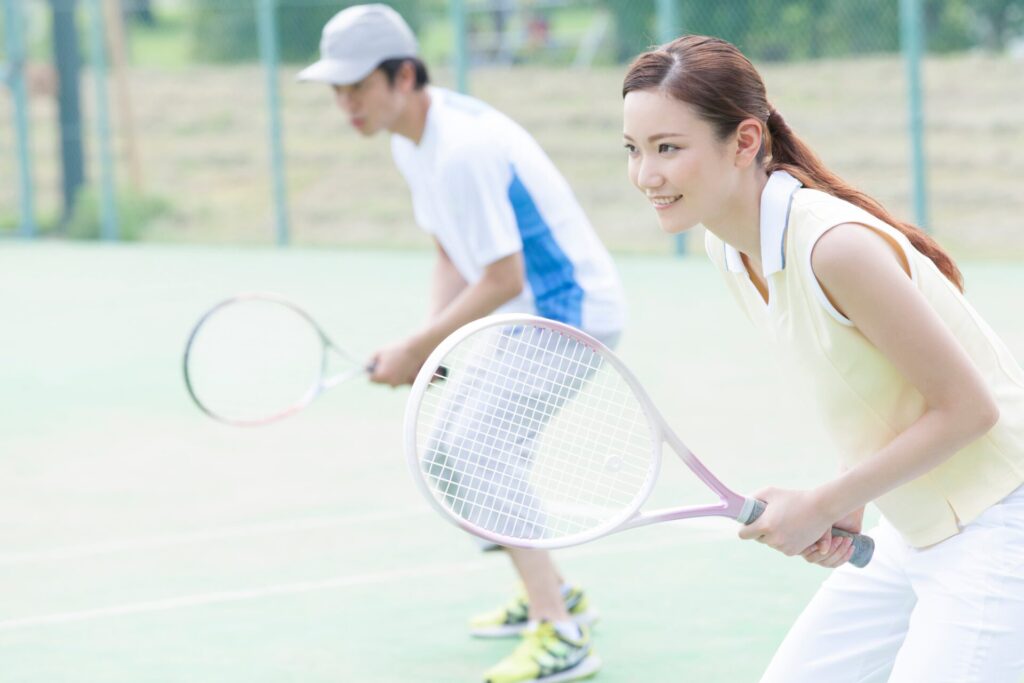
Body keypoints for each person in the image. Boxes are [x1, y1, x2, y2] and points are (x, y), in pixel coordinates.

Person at [621, 35, 1024, 683]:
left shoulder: (834, 246)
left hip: (998, 521)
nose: (647, 175)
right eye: (634, 150)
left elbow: (969, 409)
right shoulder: (726, 245)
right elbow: (868, 387)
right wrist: (852, 496)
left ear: (746, 141)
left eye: (668, 148)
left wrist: (824, 498)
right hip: (912, 522)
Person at [299, 6, 625, 682]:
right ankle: (556, 591)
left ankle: (561, 633)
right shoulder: (410, 139)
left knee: (480, 447)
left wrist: (418, 347)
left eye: (356, 86)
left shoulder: (463, 149)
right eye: (336, 89)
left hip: (569, 314)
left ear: (404, 75)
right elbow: (451, 250)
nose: (345, 103)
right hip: (521, 317)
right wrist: (431, 345)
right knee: (447, 453)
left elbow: (503, 275)